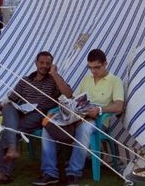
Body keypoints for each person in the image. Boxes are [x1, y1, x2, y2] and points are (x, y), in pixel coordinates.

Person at [33, 49, 124, 186]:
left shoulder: (115, 81)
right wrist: (67, 106)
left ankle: (73, 173)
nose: (93, 71)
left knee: (85, 128)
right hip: (77, 117)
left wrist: (99, 109)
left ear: (105, 64)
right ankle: (50, 173)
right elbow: (75, 98)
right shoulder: (87, 79)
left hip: (98, 121)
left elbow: (119, 106)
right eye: (90, 67)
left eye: (97, 67)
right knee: (48, 126)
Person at [0, 51, 72, 184]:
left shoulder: (53, 80)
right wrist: (0, 105)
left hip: (40, 114)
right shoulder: (25, 81)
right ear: (36, 63)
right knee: (8, 107)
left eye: (48, 63)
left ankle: (2, 171)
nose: (44, 66)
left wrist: (55, 74)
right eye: (42, 63)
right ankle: (10, 153)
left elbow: (68, 95)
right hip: (23, 113)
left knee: (8, 131)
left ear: (52, 65)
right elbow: (11, 98)